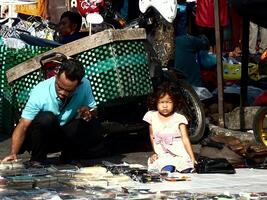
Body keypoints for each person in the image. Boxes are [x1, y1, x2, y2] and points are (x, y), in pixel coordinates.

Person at [2, 58, 103, 165]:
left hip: (61, 134)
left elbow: (94, 110)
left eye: (69, 90)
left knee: (93, 124)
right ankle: (37, 159)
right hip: (39, 137)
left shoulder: (85, 85)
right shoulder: (40, 91)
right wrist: (13, 153)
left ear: (79, 84)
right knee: (46, 118)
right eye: (59, 87)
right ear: (56, 76)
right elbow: (23, 125)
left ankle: (68, 157)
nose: (62, 93)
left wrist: (89, 112)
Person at [143, 82, 197, 173]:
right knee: (165, 167)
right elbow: (152, 136)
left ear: (174, 102)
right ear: (156, 102)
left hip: (179, 153)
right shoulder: (152, 116)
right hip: (163, 154)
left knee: (186, 167)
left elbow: (185, 138)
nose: (165, 106)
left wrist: (192, 157)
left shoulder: (179, 118)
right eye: (161, 102)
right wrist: (156, 153)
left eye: (169, 102)